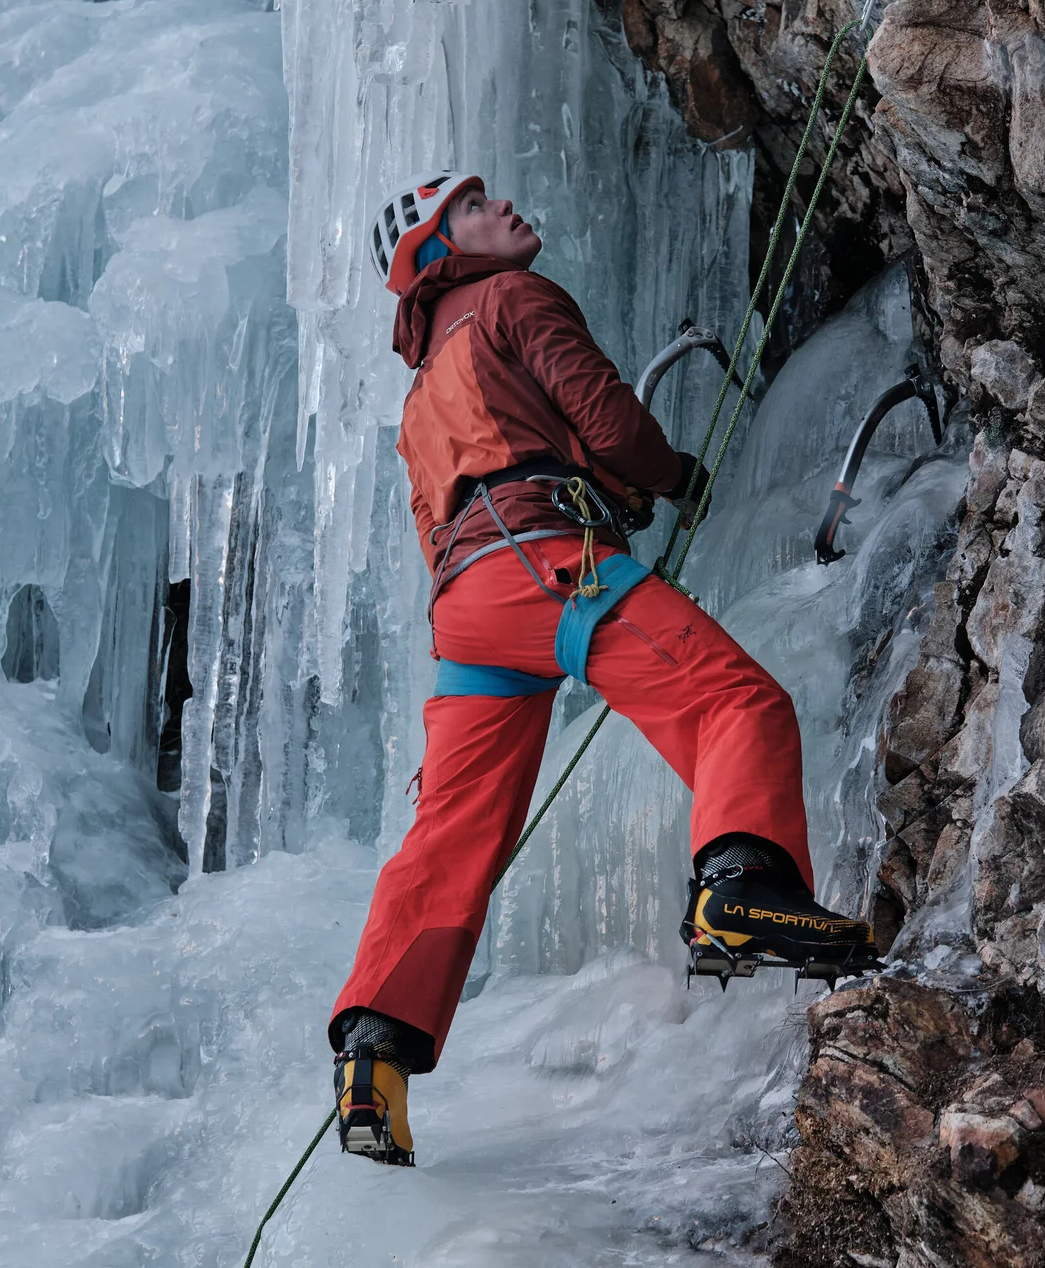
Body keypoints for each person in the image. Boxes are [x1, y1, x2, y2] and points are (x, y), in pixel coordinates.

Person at [329, 172, 876, 1166]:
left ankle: (375, 1057)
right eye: (476, 204)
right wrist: (676, 476)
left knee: (448, 836)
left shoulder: (419, 401)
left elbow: (447, 520)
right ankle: (738, 886)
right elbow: (609, 418)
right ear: (446, 251)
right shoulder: (516, 300)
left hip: (468, 618)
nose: (505, 205)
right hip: (546, 564)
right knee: (736, 701)